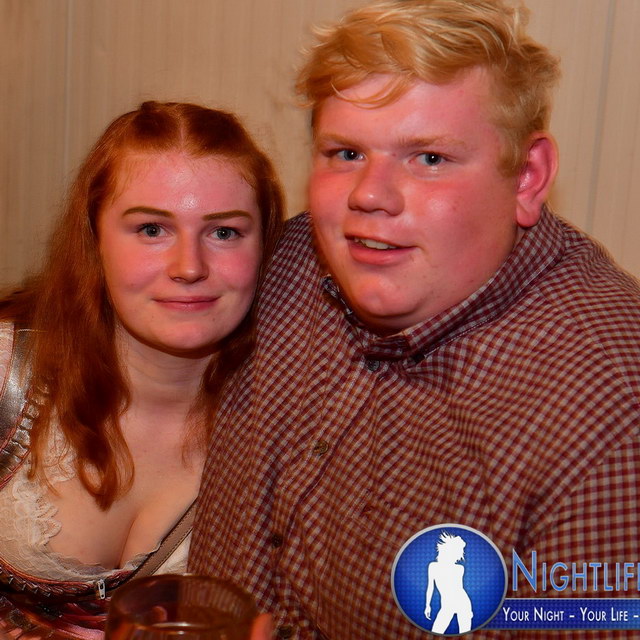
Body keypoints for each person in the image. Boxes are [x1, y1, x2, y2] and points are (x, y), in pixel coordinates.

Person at [190, 0, 640, 638]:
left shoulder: (609, 412)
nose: (369, 195)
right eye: (346, 153)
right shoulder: (287, 263)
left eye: (428, 158)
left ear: (527, 177)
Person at [0, 101, 283, 639]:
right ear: (94, 238)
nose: (189, 267)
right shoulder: (10, 371)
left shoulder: (288, 426)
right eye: (152, 228)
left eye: (225, 232)